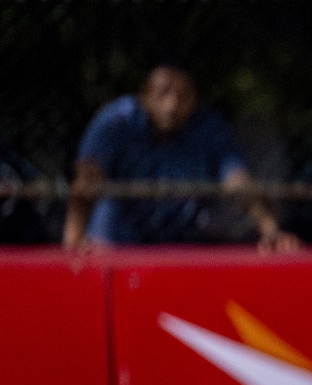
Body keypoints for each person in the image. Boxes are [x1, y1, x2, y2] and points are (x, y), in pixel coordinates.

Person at [64, 62, 297, 250]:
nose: (173, 105)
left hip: (179, 242)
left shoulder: (208, 127)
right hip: (115, 241)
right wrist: (73, 244)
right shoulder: (115, 121)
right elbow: (87, 180)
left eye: (183, 95)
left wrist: (271, 231)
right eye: (164, 93)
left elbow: (237, 181)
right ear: (144, 97)